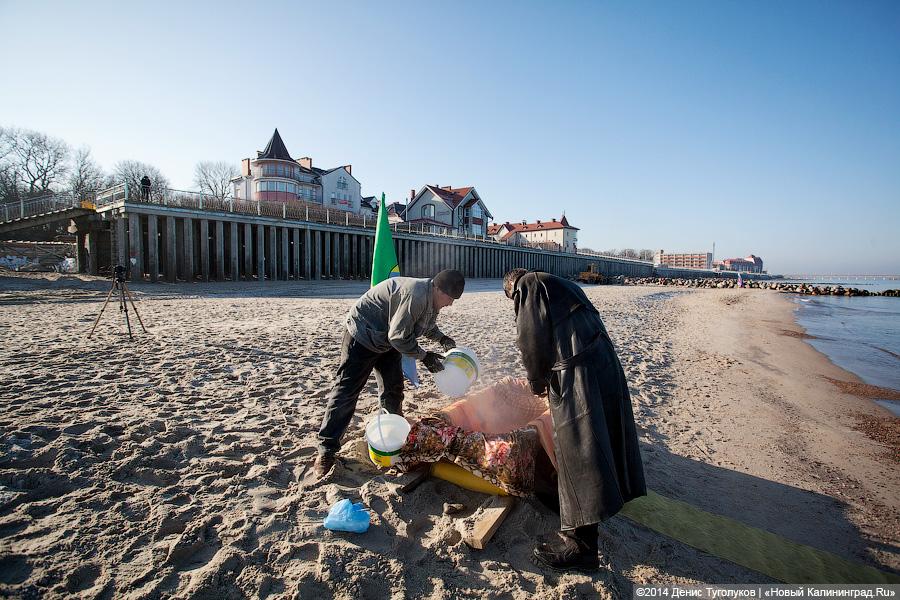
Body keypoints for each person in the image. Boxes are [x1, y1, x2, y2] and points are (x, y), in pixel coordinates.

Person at [503, 268, 646, 572]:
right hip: (602, 365)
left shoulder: (528, 285)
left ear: (513, 289)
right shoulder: (562, 285)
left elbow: (530, 339)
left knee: (578, 450)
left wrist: (536, 382)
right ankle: (590, 514)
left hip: (579, 373)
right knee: (598, 442)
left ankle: (581, 548)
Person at [315, 269, 465, 478]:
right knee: (347, 392)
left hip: (386, 339)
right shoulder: (416, 295)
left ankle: (392, 437)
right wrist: (424, 357)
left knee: (393, 389)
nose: (450, 304)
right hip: (363, 335)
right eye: (450, 298)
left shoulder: (431, 299)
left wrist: (442, 339)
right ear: (438, 289)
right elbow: (399, 337)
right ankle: (326, 450)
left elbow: (425, 325)